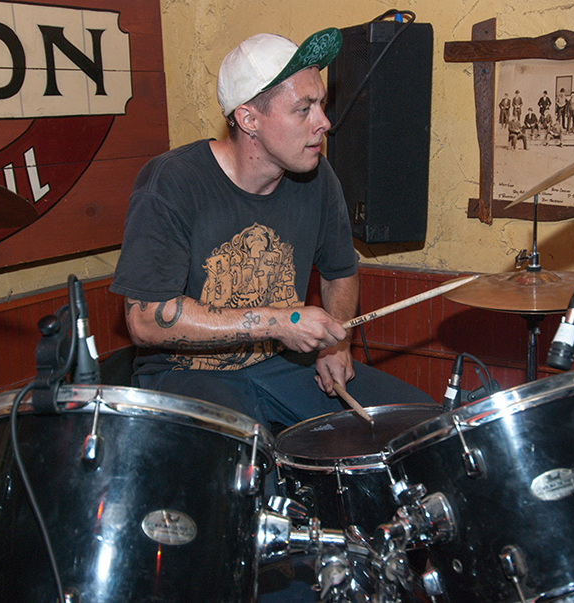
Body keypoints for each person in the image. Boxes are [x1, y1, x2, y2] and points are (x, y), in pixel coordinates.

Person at [110, 28, 436, 437]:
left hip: (282, 364)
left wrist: (336, 343)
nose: (324, 123)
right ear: (249, 119)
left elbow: (340, 271)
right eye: (303, 109)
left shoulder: (318, 178)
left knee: (418, 426)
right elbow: (144, 320)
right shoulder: (172, 181)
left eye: (321, 104)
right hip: (185, 373)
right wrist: (280, 322)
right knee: (247, 463)